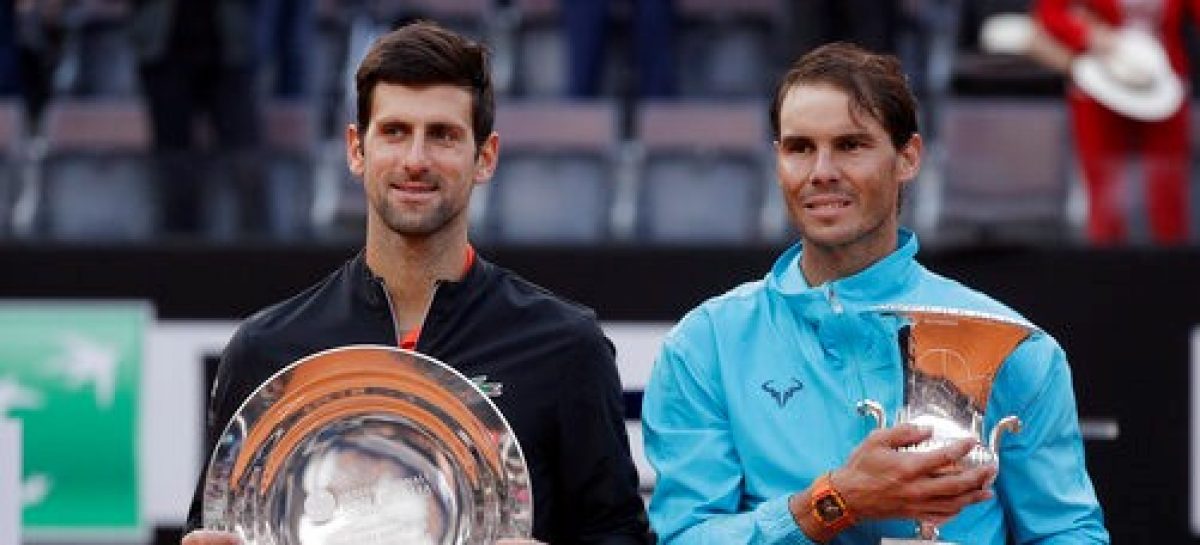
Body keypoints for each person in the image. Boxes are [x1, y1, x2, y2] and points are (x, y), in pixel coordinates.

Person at [181, 21, 651, 545]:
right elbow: (217, 525)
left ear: (485, 157)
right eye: (395, 131)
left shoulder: (565, 346)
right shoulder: (266, 351)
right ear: (356, 149)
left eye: (443, 135)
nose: (416, 160)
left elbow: (619, 534)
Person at [641, 43, 1109, 544]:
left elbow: (1067, 533)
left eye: (850, 145)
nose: (821, 171)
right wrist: (836, 502)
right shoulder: (706, 345)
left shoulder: (1015, 346)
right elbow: (683, 537)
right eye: (800, 148)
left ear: (908, 157)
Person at [1033, 0, 1195, 244]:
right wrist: (1088, 35)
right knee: (1105, 191)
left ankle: (1172, 256)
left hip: (1161, 82)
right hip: (1101, 81)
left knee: (1168, 185)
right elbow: (1051, 12)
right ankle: (1107, 257)